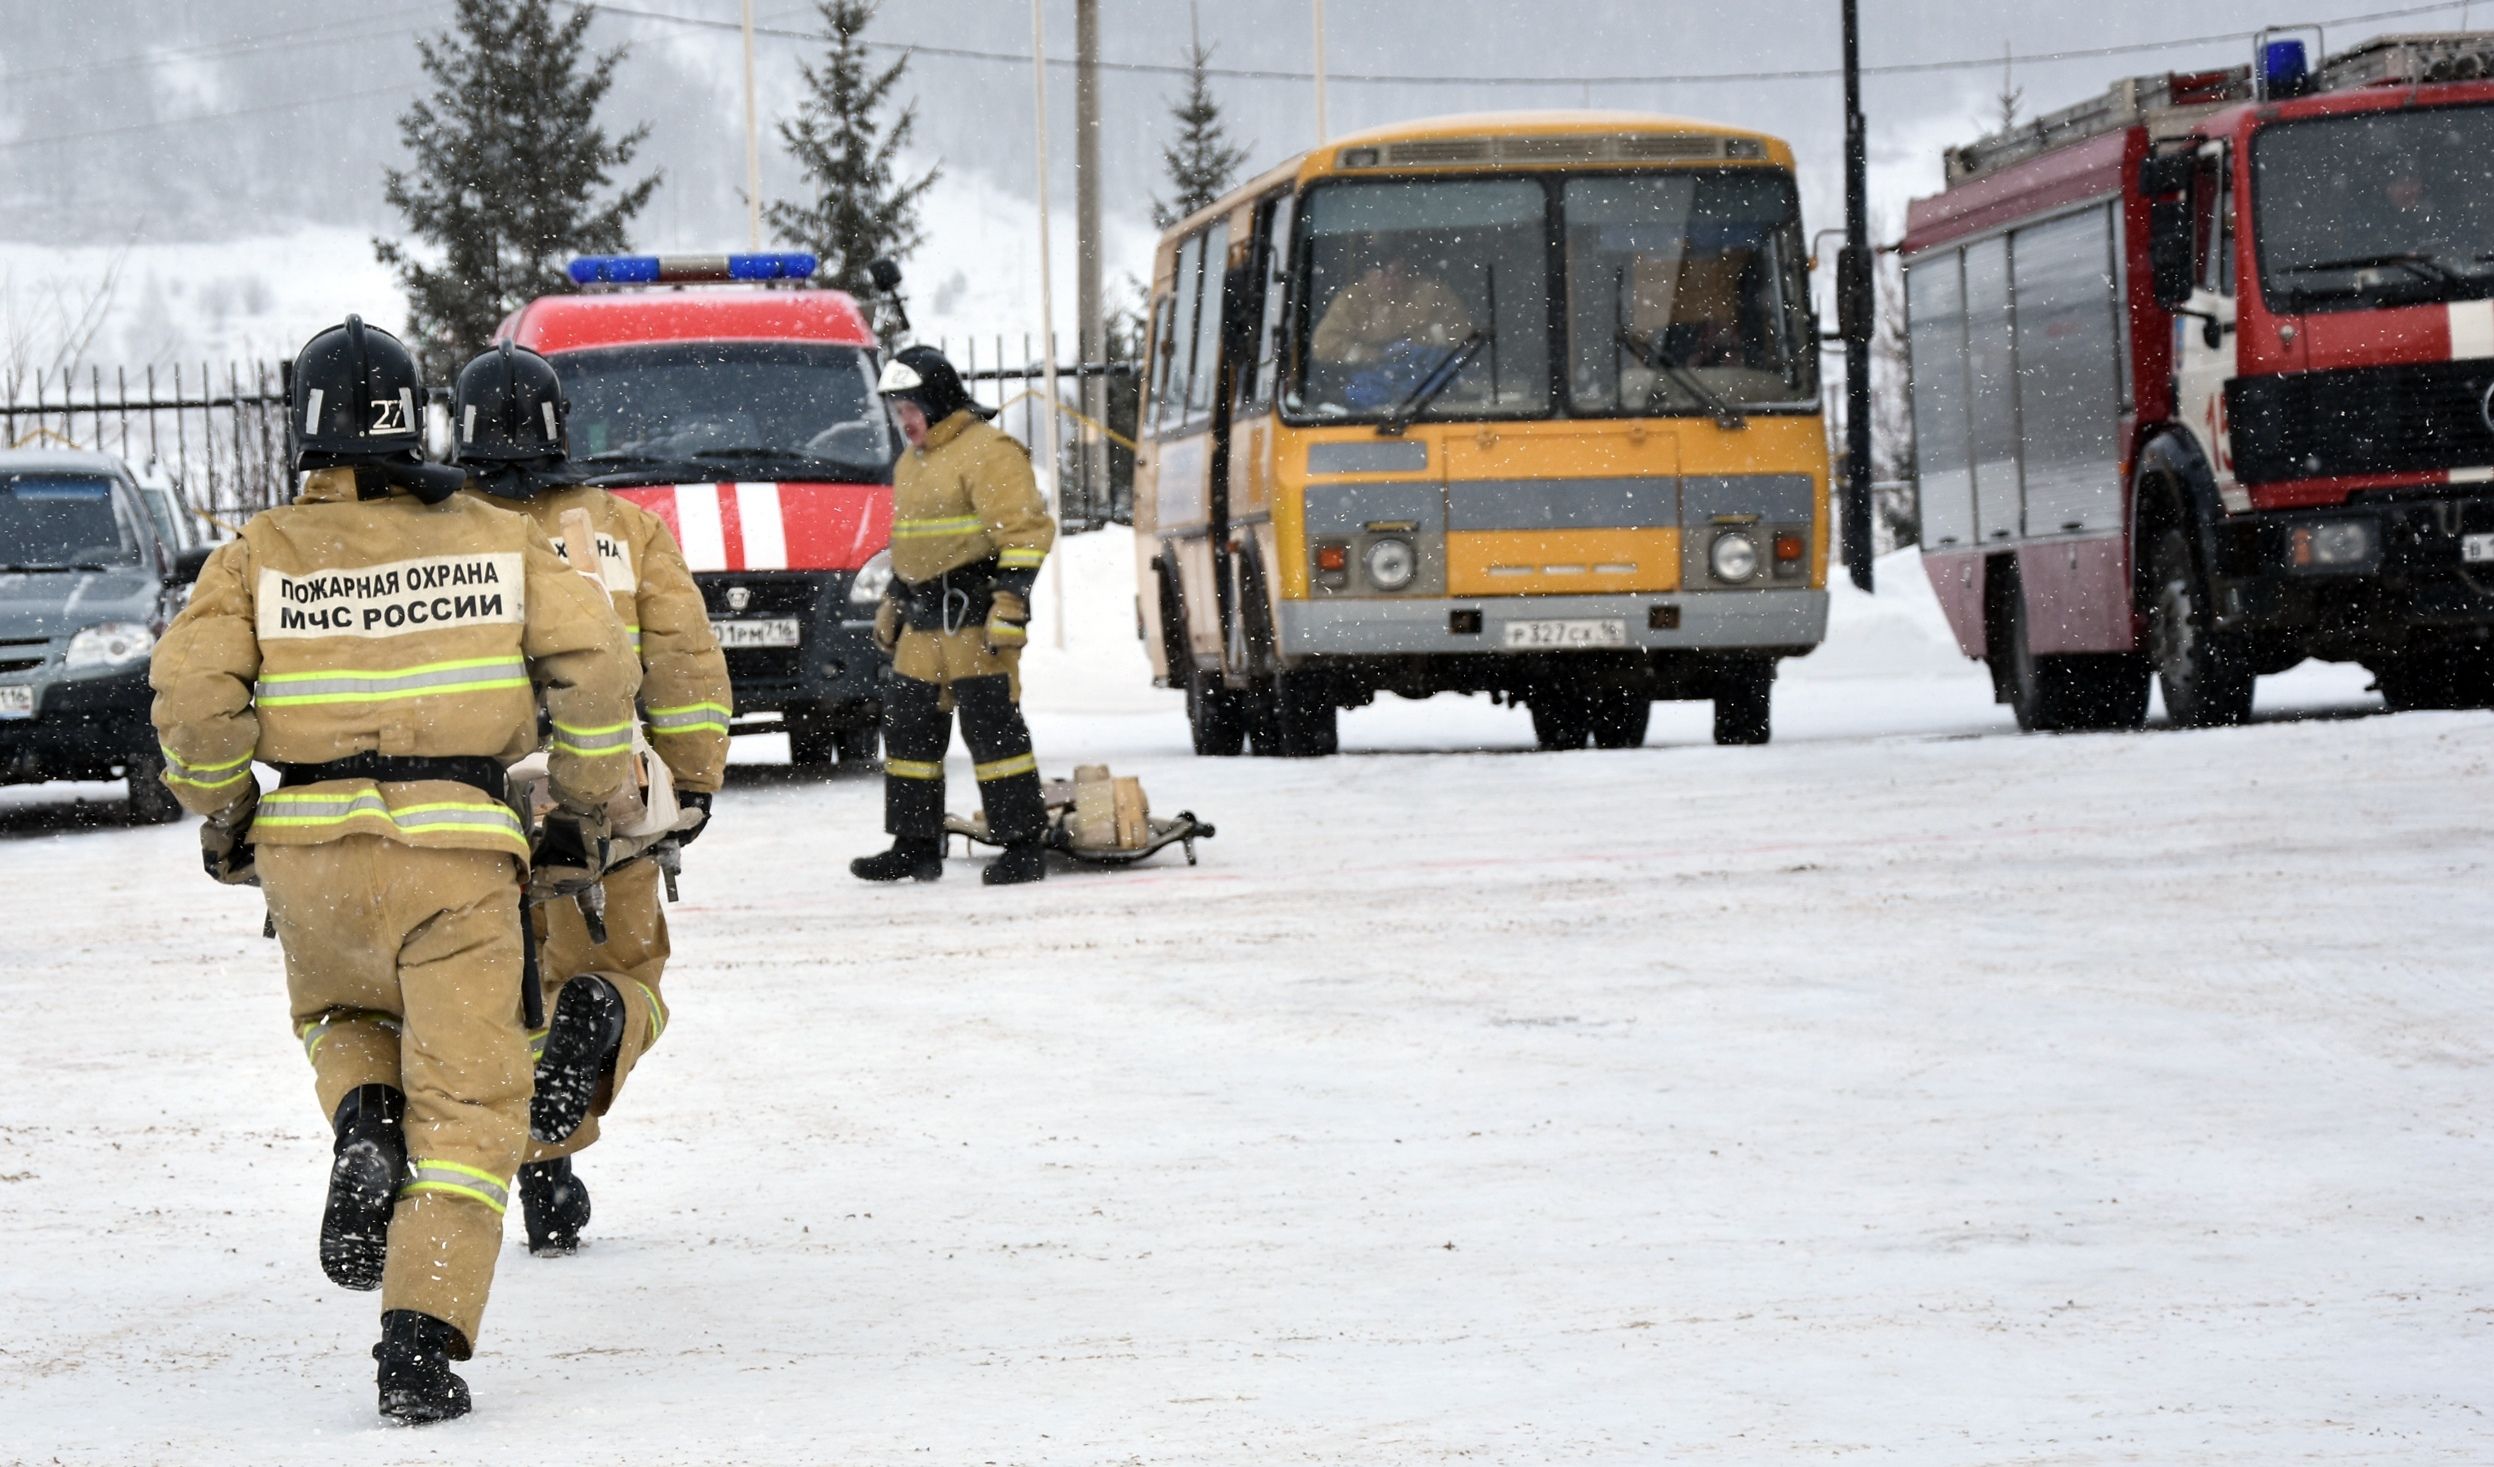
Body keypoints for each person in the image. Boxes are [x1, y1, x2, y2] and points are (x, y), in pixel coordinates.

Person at [148, 317, 639, 1424]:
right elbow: (598, 664)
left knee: (340, 1012)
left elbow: (188, 700)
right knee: (469, 1114)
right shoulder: (495, 534)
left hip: (310, 857)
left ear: (306, 431)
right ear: (415, 420)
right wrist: (578, 797)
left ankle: (364, 1112)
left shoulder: (257, 551)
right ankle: (419, 1345)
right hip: (458, 857)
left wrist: (226, 812)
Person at [451, 340, 733, 1256]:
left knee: (492, 994)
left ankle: (541, 1169)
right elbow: (687, 665)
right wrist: (690, 782)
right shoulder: (626, 529)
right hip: (601, 797)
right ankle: (602, 1020)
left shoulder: (439, 529)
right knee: (622, 975)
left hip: (467, 801)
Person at [851, 345, 1055, 886]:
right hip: (922, 622)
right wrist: (894, 600)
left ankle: (1021, 845)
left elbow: (1026, 533)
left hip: (974, 620)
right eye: (897, 410)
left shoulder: (990, 452)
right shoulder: (910, 464)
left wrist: (1010, 605)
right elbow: (911, 546)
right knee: (909, 733)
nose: (904, 421)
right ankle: (915, 845)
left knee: (993, 734)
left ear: (937, 401)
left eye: (910, 408)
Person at [1308, 240, 1477, 367]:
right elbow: (1322, 346)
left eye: (1396, 274)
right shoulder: (1350, 301)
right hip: (1371, 382)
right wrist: (1370, 356)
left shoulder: (1432, 293)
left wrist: (1416, 342)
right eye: (1381, 275)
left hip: (1427, 377)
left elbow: (1464, 331)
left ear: (1408, 273)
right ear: (1367, 276)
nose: (1389, 282)